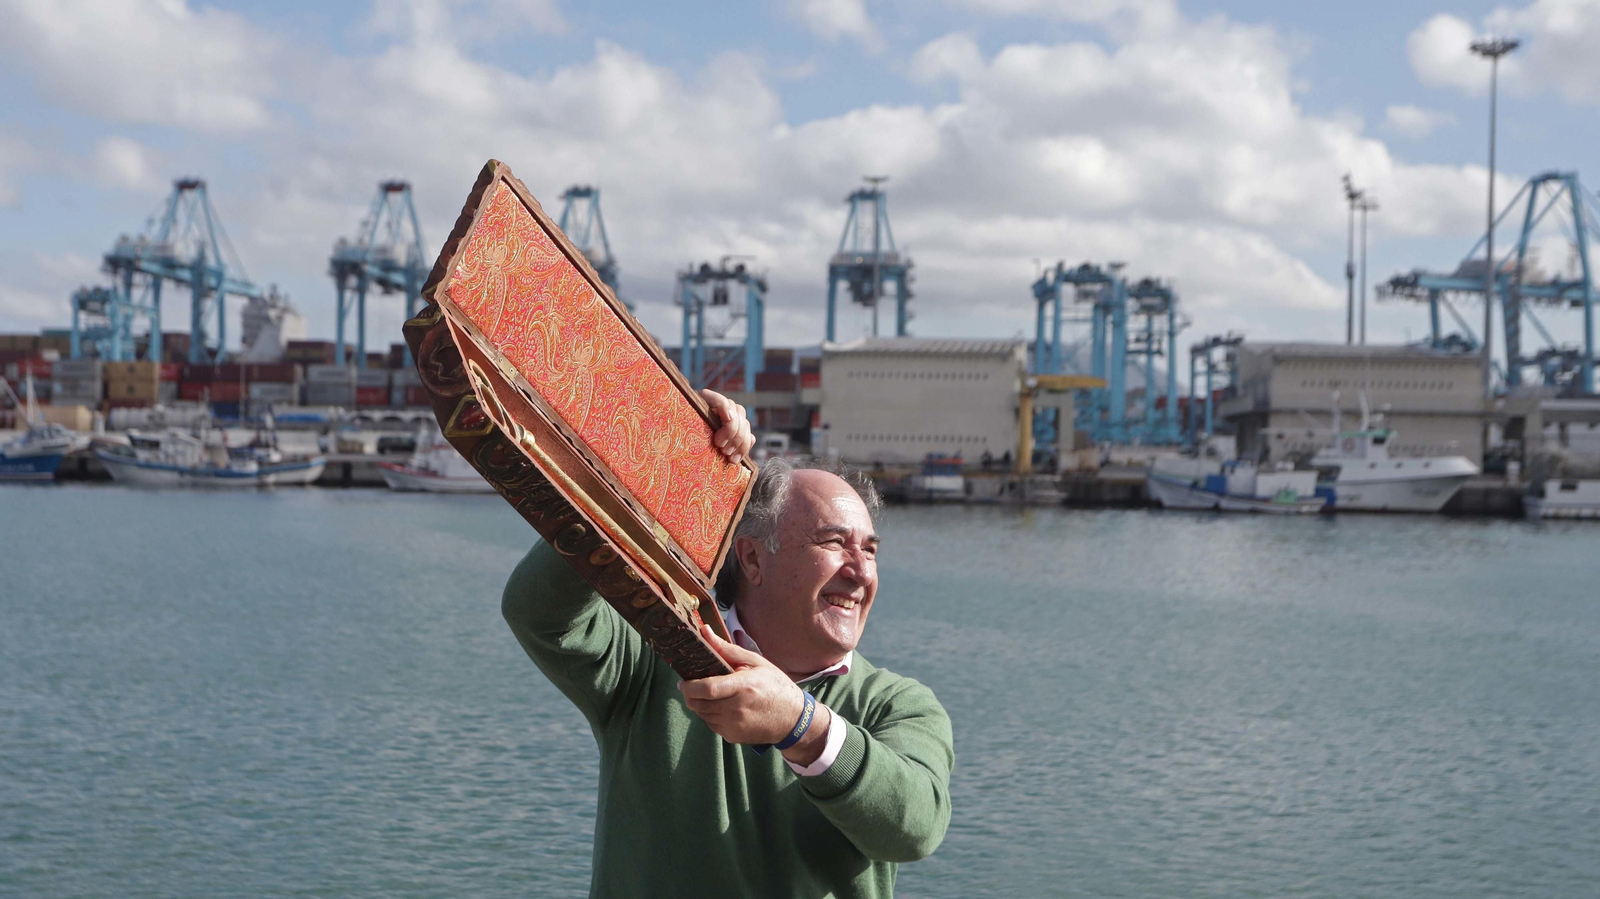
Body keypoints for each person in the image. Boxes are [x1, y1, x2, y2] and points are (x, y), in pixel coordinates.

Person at [501, 390, 952, 898]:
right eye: (833, 543)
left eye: (869, 550)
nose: (861, 571)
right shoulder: (654, 659)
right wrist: (662, 455)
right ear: (753, 560)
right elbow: (538, 613)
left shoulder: (899, 706)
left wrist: (799, 725)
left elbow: (915, 827)